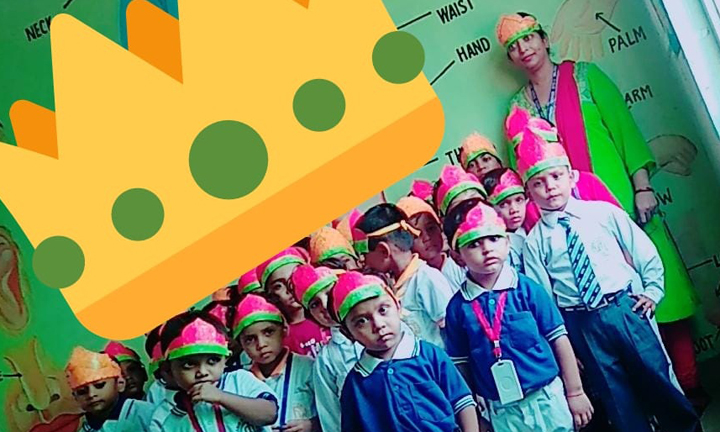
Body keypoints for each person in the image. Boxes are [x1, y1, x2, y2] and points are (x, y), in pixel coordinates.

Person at [497, 12, 703, 403]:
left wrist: (642, 187)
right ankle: (645, 401)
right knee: (607, 315)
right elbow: (524, 174)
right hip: (566, 225)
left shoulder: (586, 77)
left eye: (529, 39)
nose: (524, 49)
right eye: (514, 47)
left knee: (660, 293)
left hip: (621, 203)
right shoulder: (517, 108)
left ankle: (689, 383)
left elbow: (626, 132)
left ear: (544, 39)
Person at [515, 123, 699, 432]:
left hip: (624, 309)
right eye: (539, 183)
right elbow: (545, 298)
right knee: (617, 398)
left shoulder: (602, 213)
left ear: (571, 176)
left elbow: (643, 250)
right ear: (529, 192)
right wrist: (566, 342)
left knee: (658, 380)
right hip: (582, 323)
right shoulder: (535, 242)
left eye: (556, 176)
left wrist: (652, 291)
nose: (550, 187)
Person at [443, 199, 592, 432]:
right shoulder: (457, 309)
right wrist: (475, 418)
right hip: (503, 411)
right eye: (474, 243)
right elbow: (461, 367)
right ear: (457, 256)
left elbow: (559, 339)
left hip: (548, 397)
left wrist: (575, 392)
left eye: (494, 238)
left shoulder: (527, 289)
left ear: (507, 241)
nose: (487, 249)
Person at [331, 271, 479, 432]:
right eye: (362, 321)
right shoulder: (355, 385)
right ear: (347, 333)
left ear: (398, 306)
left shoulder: (430, 355)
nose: (378, 325)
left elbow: (462, 402)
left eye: (383, 310)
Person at [149, 311, 278, 431]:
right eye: (189, 364)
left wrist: (221, 397)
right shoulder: (166, 419)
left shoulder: (239, 380)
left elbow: (269, 414)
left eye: (213, 360)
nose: (202, 372)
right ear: (168, 369)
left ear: (225, 359)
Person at [355, 203, 454, 347]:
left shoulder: (426, 279)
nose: (362, 260)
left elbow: (454, 329)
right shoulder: (392, 285)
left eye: (364, 254)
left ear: (383, 250)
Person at [291, 264, 364, 432]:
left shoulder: (382, 328)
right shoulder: (326, 360)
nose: (325, 305)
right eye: (315, 304)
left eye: (329, 293)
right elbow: (331, 419)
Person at [233, 294, 319, 432]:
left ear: (284, 329)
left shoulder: (309, 368)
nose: (261, 344)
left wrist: (313, 425)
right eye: (250, 339)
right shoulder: (240, 382)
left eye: (268, 332)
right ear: (240, 344)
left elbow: (333, 412)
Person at [257, 247, 331, 358]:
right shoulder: (281, 336)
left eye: (294, 277)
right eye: (278, 286)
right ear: (271, 296)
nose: (290, 288)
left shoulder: (329, 313)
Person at [65, 346, 154, 432]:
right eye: (81, 392)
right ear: (75, 398)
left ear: (120, 384)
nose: (91, 394)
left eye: (99, 385)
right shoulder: (81, 428)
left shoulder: (145, 413)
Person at [396, 195, 465, 292]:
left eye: (431, 228)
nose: (426, 238)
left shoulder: (461, 265)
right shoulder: (413, 284)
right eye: (416, 235)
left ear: (440, 227)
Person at [481, 168, 529, 273]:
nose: (514, 210)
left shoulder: (534, 228)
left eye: (519, 200)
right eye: (503, 204)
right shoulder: (493, 247)